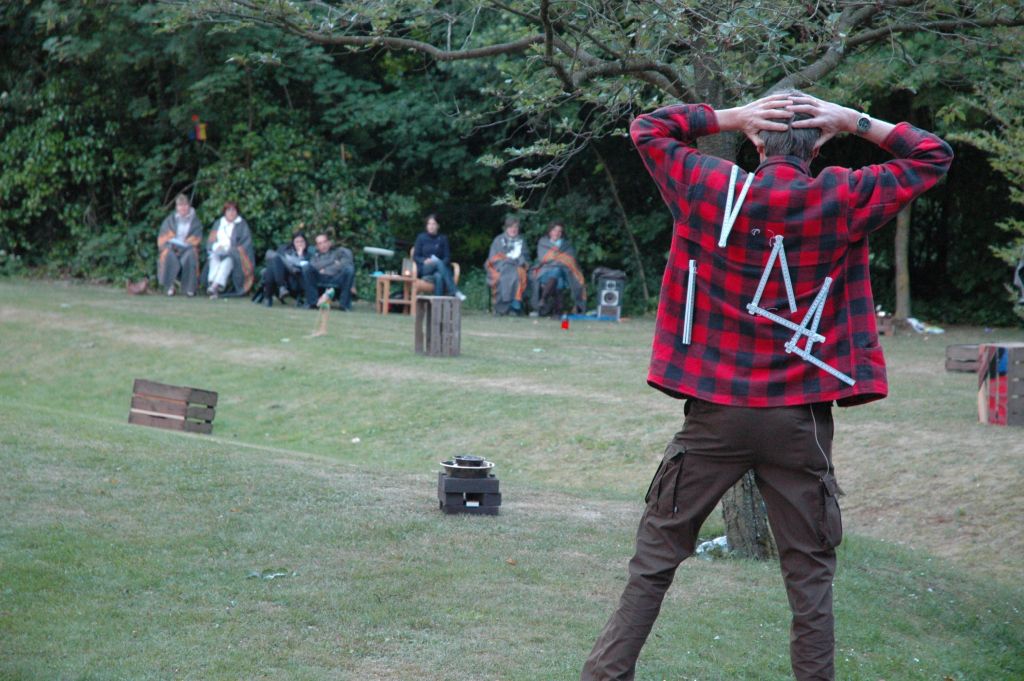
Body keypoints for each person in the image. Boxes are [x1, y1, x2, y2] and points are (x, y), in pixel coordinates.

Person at [580, 92, 952, 681]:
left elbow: (648, 130)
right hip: (797, 422)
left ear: (756, 141)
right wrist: (853, 120)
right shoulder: (840, 196)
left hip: (715, 415)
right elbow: (932, 155)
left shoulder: (710, 187)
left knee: (655, 558)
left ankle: (604, 676)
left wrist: (728, 117)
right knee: (809, 577)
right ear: (820, 144)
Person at [528, 221, 586, 316]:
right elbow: (543, 258)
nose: (557, 233)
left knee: (559, 273)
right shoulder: (543, 242)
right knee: (558, 278)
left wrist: (554, 259)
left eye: (559, 231)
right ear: (550, 231)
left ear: (562, 233)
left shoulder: (566, 245)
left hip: (564, 272)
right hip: (544, 271)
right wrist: (559, 259)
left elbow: (570, 260)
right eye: (554, 230)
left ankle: (544, 299)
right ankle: (558, 311)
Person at [205, 201, 255, 299]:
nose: (231, 213)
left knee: (227, 262)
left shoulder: (242, 225)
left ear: (237, 212)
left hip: (234, 256)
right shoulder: (218, 223)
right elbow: (210, 241)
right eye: (229, 210)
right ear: (225, 212)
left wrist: (230, 249)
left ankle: (214, 286)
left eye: (234, 210)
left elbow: (245, 244)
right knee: (214, 258)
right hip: (218, 251)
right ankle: (213, 285)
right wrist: (216, 247)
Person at [157, 193, 203, 296]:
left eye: (185, 205)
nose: (183, 208)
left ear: (189, 206)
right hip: (173, 248)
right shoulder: (170, 220)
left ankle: (190, 288)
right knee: (167, 254)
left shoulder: (195, 221)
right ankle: (170, 287)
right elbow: (163, 237)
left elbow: (197, 238)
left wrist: (187, 243)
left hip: (188, 249)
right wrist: (171, 243)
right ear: (177, 207)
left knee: (191, 255)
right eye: (180, 205)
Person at [413, 214, 466, 301]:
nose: (431, 226)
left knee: (439, 276)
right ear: (426, 226)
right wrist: (424, 260)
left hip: (438, 271)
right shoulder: (421, 237)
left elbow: (447, 257)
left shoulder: (443, 239)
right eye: (429, 224)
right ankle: (454, 291)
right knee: (437, 263)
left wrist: (440, 263)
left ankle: (437, 307)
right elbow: (416, 256)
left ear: (438, 226)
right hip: (425, 268)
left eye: (434, 224)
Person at [485, 215, 529, 315]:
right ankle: (508, 307)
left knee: (518, 274)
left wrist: (519, 260)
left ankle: (513, 306)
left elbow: (525, 258)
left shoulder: (522, 241)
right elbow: (493, 258)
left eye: (516, 227)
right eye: (511, 227)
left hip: (517, 267)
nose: (513, 229)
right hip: (500, 267)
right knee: (506, 275)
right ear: (506, 228)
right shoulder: (498, 240)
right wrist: (507, 261)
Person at [303, 231, 355, 310]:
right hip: (321, 277)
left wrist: (326, 269)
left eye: (324, 242)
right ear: (317, 246)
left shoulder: (339, 252)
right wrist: (334, 263)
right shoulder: (315, 256)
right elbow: (314, 266)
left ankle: (344, 305)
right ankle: (312, 303)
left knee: (349, 269)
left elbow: (346, 263)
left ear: (329, 243)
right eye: (320, 243)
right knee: (306, 268)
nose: (323, 245)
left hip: (337, 277)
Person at [259, 232, 311, 307]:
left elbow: (304, 267)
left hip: (295, 278)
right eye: (297, 241)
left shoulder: (308, 254)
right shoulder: (286, 250)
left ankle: (269, 296)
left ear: (305, 242)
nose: (299, 243)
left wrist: (300, 255)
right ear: (293, 243)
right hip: (281, 274)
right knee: (274, 261)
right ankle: (281, 287)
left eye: (301, 241)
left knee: (276, 259)